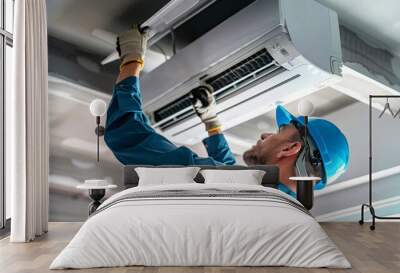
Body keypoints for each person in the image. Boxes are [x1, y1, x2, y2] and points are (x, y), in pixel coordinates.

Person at [105, 27, 349, 197]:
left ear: (290, 149)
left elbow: (127, 134)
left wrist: (131, 60)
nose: (265, 135)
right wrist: (212, 124)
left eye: (279, 131)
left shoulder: (241, 190)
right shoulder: (270, 200)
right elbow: (228, 172)